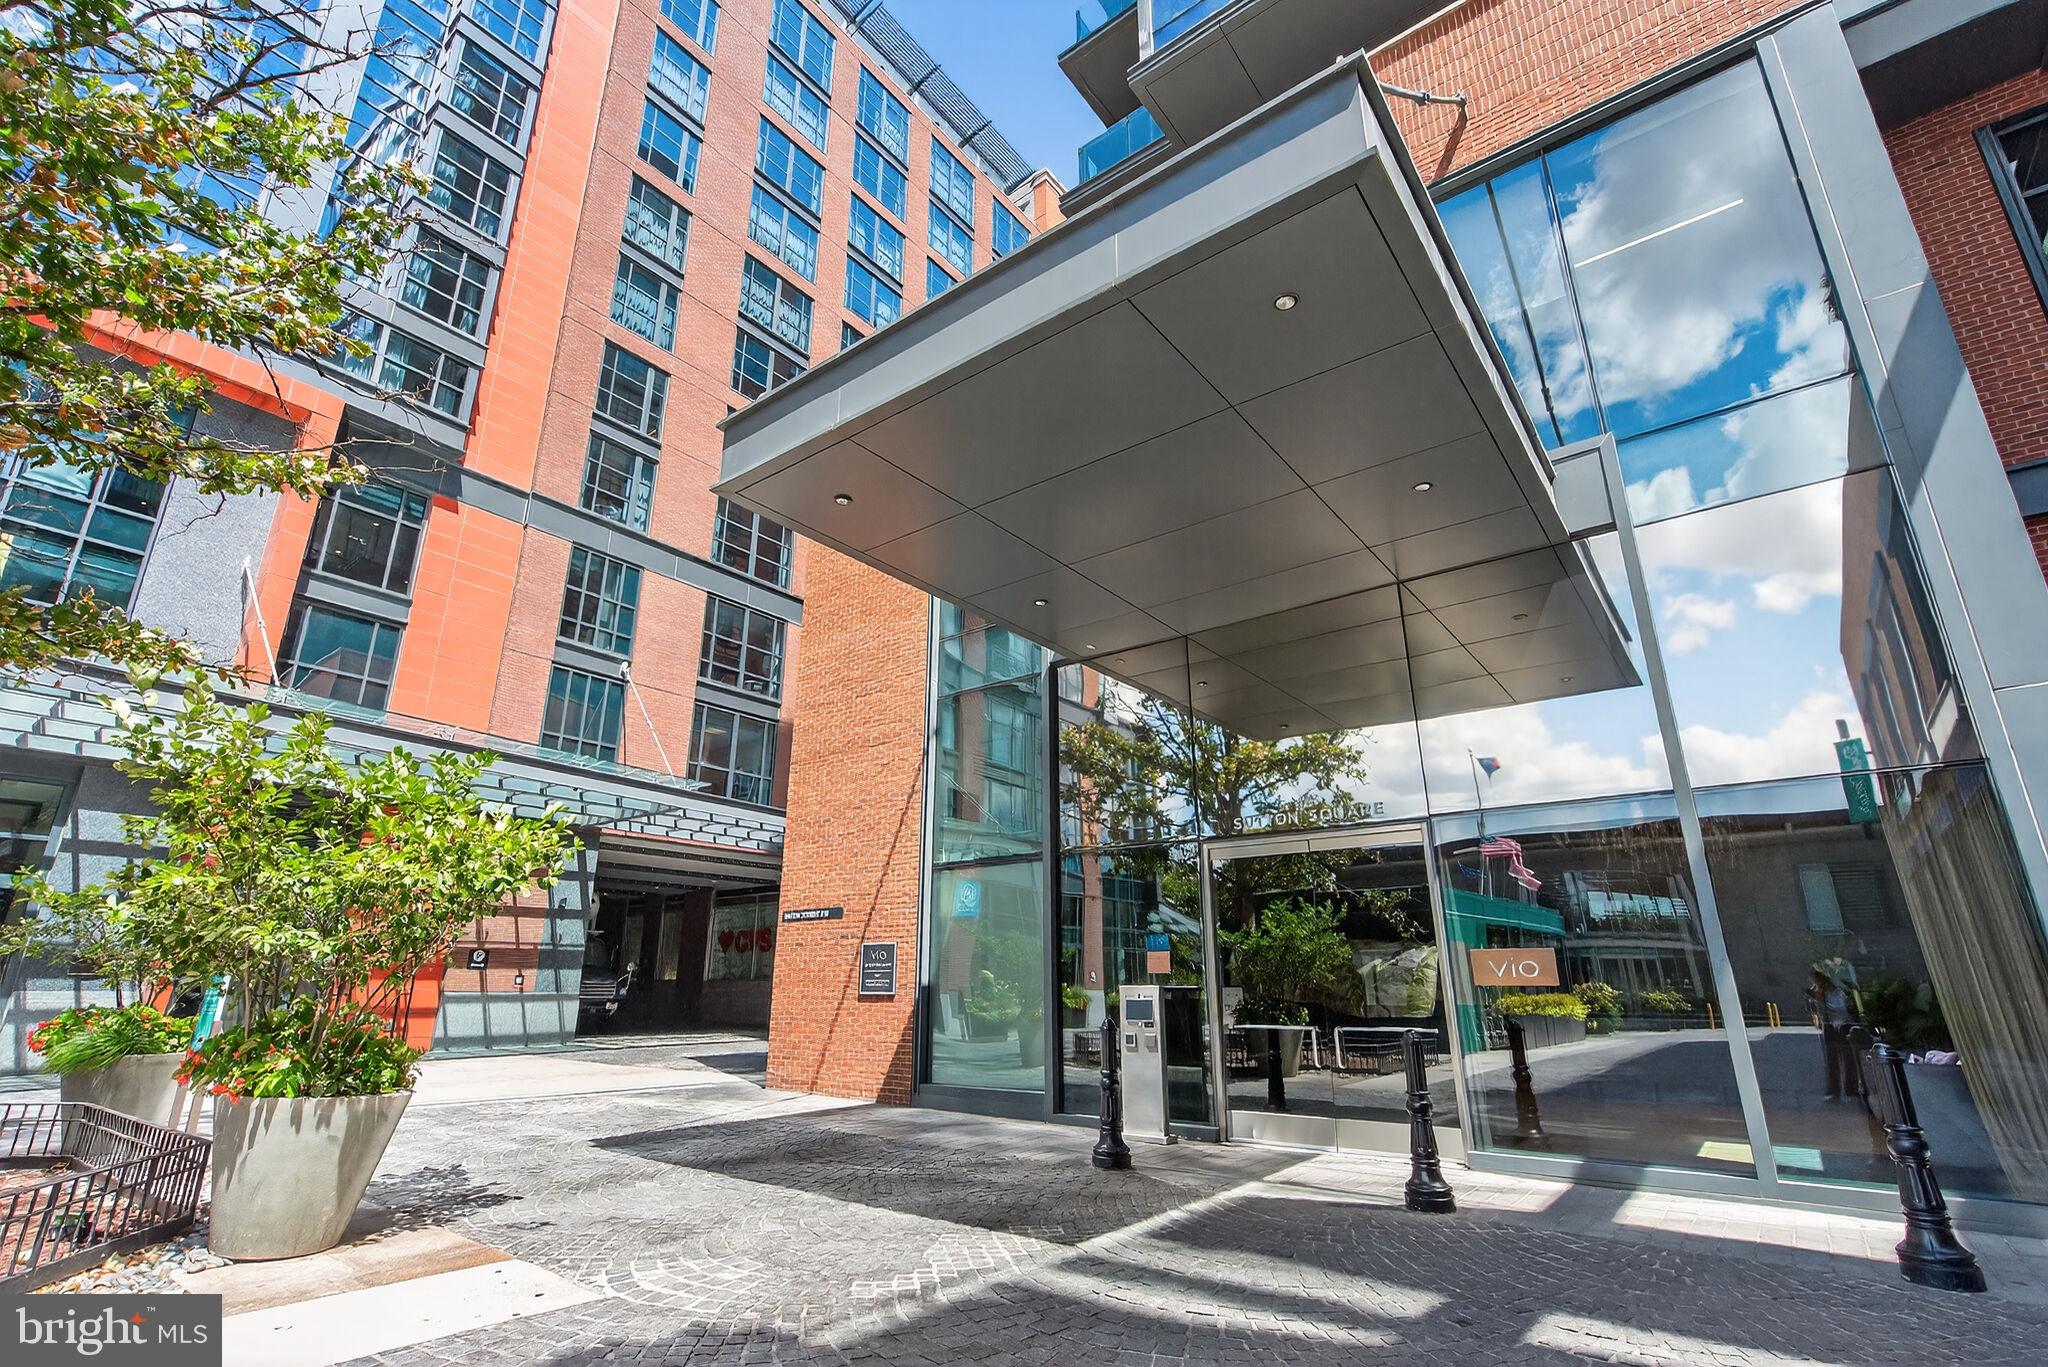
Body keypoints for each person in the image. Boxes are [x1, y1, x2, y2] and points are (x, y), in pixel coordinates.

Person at [1808, 968, 1859, 1099]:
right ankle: (1836, 1090)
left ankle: (1849, 1089)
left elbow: (1846, 1010)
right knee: (1833, 1059)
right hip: (1830, 1027)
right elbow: (1815, 1010)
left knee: (1847, 1058)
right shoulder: (1818, 995)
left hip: (1843, 1026)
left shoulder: (1839, 993)